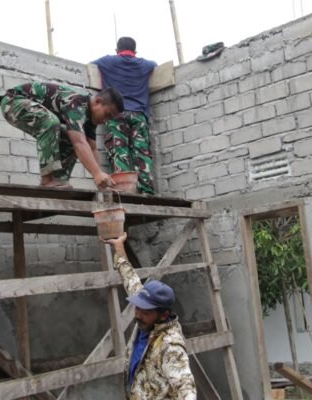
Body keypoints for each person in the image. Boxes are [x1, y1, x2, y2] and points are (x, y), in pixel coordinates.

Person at [104, 233, 197, 399]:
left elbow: (186, 388)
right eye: (137, 308)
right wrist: (118, 247)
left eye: (146, 312)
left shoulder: (170, 345)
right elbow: (130, 279)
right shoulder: (145, 316)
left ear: (164, 315)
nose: (138, 315)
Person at [0, 81, 124, 189]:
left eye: (110, 119)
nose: (106, 121)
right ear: (97, 102)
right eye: (107, 114)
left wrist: (101, 179)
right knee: (52, 123)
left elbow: (92, 148)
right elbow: (79, 143)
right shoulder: (77, 103)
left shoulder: (91, 120)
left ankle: (59, 181)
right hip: (13, 101)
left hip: (28, 107)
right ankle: (47, 181)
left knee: (70, 135)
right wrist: (96, 174)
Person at [92, 37, 157, 194]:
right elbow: (156, 66)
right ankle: (146, 191)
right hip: (139, 116)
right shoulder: (146, 65)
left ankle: (124, 191)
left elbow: (90, 66)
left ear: (117, 50)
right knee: (142, 153)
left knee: (119, 152)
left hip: (116, 115)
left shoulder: (108, 61)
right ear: (135, 51)